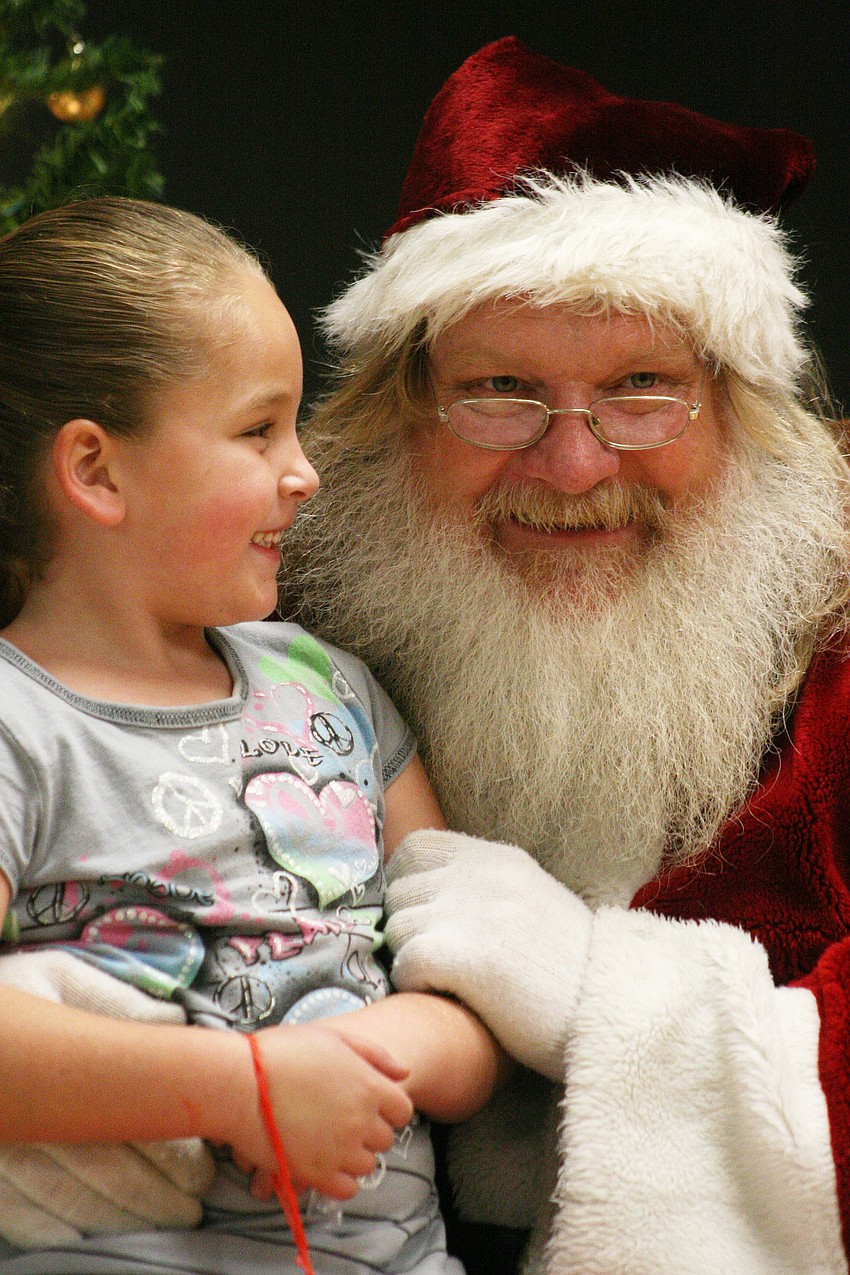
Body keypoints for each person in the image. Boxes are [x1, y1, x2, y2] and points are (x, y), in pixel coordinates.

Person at [282, 37, 850, 1275]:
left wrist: (598, 993)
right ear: (398, 418)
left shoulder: (834, 656)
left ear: (746, 417)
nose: (573, 465)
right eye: (498, 390)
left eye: (643, 388)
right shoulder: (284, 654)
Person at [0, 196, 504, 1274]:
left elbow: (470, 986)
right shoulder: (18, 719)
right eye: (256, 428)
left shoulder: (334, 688)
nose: (303, 468)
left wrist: (371, 1054)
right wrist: (246, 1087)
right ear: (95, 471)